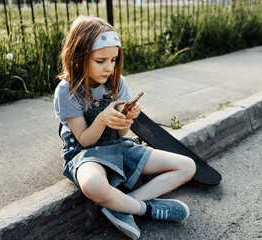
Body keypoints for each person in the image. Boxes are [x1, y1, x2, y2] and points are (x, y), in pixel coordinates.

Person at [53, 16, 196, 239]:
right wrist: (101, 119)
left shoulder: (117, 81)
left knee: (187, 166)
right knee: (93, 186)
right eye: (100, 61)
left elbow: (121, 134)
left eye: (113, 60)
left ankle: (120, 206)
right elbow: (84, 140)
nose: (109, 68)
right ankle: (143, 209)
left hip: (117, 146)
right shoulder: (68, 90)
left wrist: (127, 119)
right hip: (86, 154)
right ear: (79, 57)